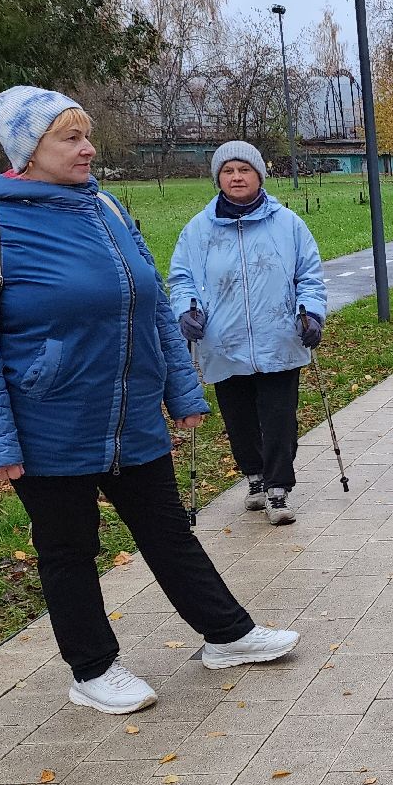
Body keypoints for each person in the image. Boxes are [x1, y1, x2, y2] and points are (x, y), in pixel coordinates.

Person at [0, 87, 300, 716]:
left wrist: (182, 390)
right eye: (69, 138)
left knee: (168, 532)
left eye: (86, 134)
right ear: (28, 151)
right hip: (48, 422)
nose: (88, 147)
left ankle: (226, 634)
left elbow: (155, 304)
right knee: (69, 548)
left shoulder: (103, 207)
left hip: (130, 413)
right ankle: (93, 668)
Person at [168, 141, 327, 526]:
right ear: (217, 179)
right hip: (224, 342)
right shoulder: (198, 230)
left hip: (280, 338)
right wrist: (186, 310)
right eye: (228, 171)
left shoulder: (288, 224)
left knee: (279, 420)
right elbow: (181, 278)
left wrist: (312, 315)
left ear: (259, 175)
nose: (236, 177)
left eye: (244, 170)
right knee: (238, 419)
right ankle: (254, 478)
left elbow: (309, 276)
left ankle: (278, 487)